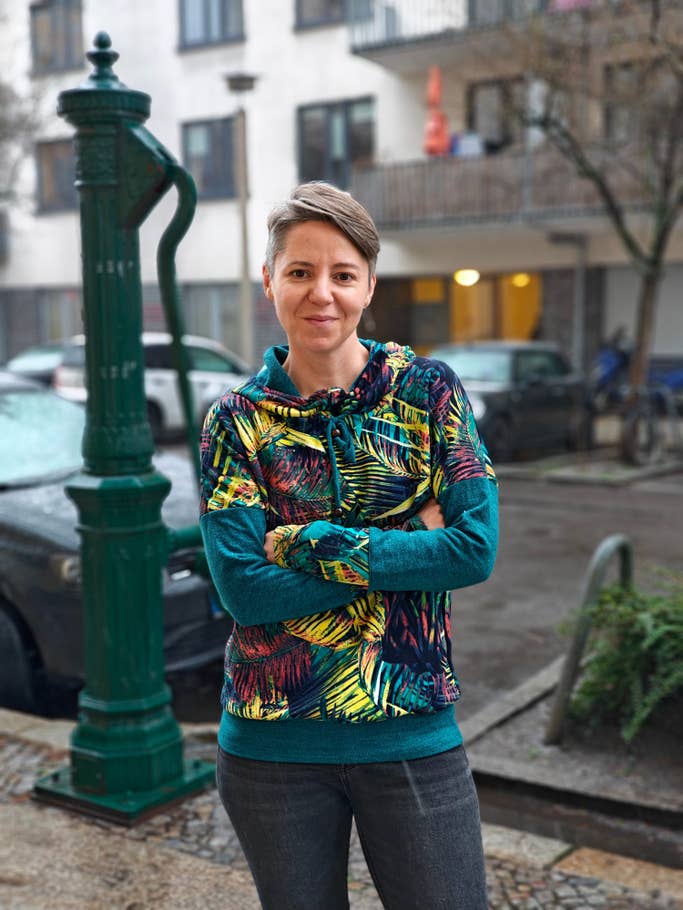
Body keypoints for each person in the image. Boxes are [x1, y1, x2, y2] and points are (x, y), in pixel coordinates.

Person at [199, 181, 498, 910]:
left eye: (342, 273)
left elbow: (473, 550)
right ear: (269, 281)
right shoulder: (234, 422)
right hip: (272, 749)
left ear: (368, 285)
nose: (321, 293)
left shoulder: (428, 393)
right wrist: (414, 537)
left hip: (412, 731)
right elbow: (245, 592)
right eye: (300, 271)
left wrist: (305, 544)